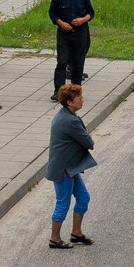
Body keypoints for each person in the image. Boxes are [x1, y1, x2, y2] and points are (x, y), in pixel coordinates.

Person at [46, 83, 96, 249]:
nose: (82, 100)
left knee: (83, 198)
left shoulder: (65, 115)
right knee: (63, 203)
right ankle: (54, 238)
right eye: (79, 98)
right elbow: (89, 142)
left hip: (70, 168)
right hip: (64, 170)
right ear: (69, 102)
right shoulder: (69, 121)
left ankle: (76, 233)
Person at [49, 0, 95, 101]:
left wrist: (82, 20)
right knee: (62, 62)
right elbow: (52, 12)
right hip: (64, 34)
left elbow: (90, 12)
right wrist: (61, 23)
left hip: (80, 33)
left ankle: (75, 92)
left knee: (78, 64)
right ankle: (59, 91)